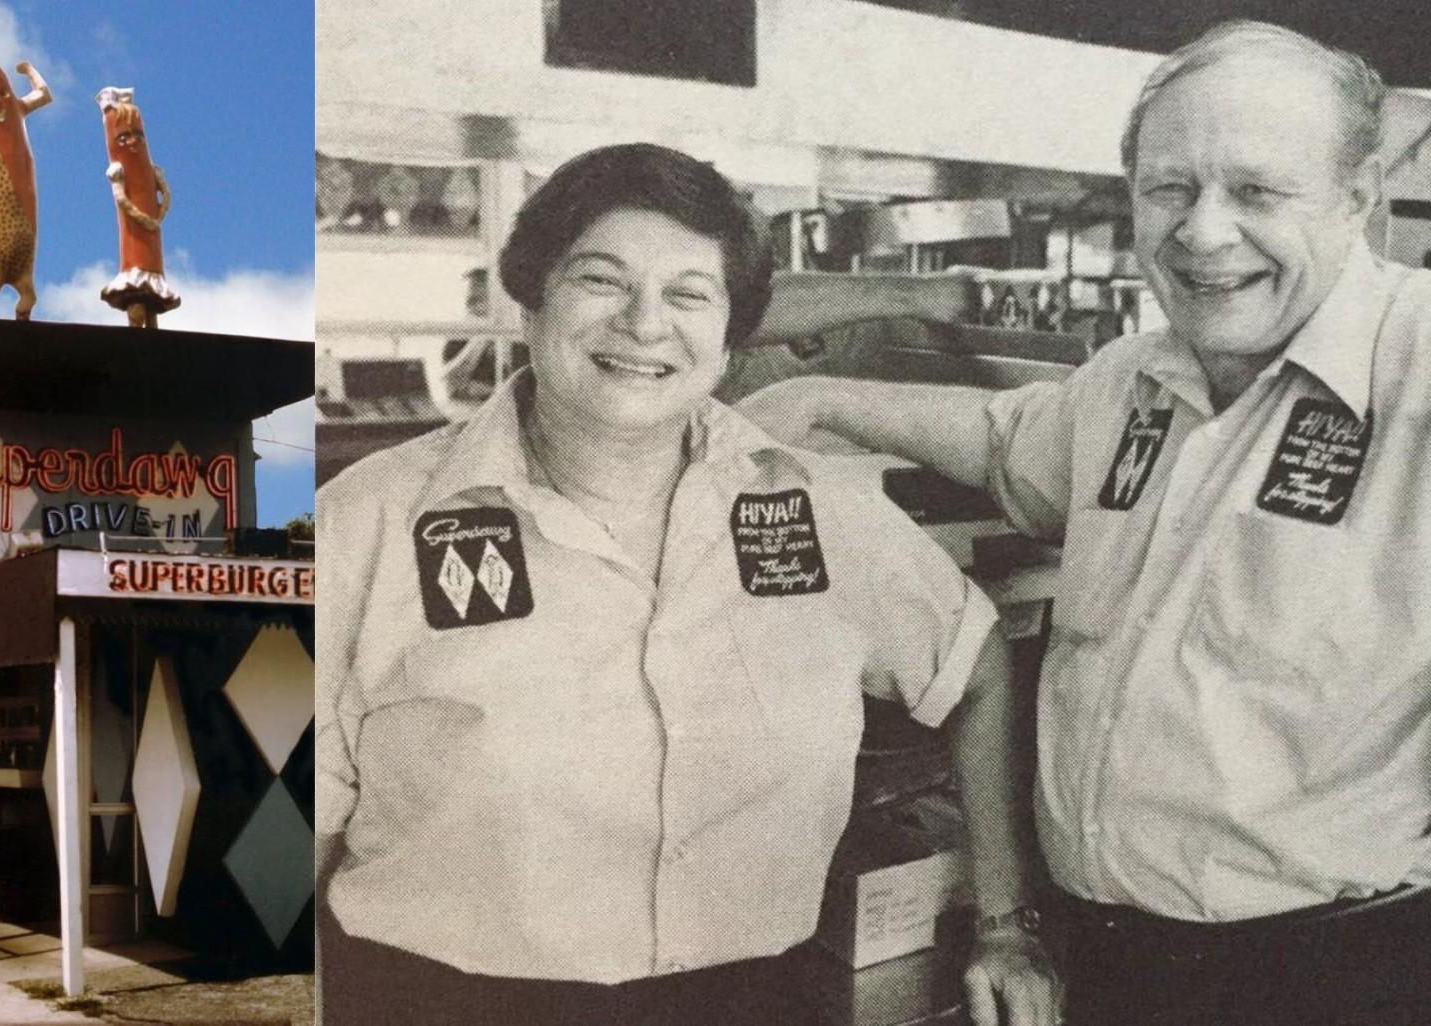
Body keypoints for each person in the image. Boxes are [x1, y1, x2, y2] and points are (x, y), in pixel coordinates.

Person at [738, 21, 1431, 1025]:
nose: (1202, 232)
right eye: (1170, 188)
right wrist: (823, 402)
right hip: (1103, 961)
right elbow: (1001, 437)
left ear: (1359, 198)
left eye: (1256, 191)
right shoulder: (1137, 379)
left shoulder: (1413, 370)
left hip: (1331, 974)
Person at [317, 142, 1058, 1025]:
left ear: (731, 332)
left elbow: (973, 665)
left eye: (688, 293)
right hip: (437, 1001)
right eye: (601, 280)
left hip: (750, 998)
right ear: (531, 296)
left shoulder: (816, 508)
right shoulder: (367, 522)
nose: (644, 324)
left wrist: (1008, 928)